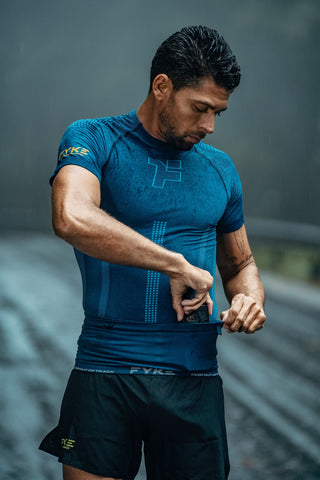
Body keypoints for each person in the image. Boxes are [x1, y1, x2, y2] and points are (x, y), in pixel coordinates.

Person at [39, 25, 266, 480]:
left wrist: (250, 298)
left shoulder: (220, 169)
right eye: (199, 108)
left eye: (218, 112)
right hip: (103, 371)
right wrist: (175, 263)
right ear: (162, 87)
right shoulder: (94, 139)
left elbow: (239, 264)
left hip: (195, 379)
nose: (208, 126)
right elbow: (71, 216)